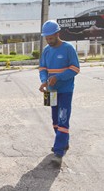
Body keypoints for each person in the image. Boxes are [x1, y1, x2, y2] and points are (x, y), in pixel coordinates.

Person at [39, 20, 80, 164]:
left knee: (63, 119)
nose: (49, 40)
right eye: (47, 38)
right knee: (55, 120)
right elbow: (42, 68)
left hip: (66, 90)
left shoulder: (68, 48)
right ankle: (63, 142)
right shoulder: (46, 50)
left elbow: (76, 68)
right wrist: (43, 80)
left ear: (58, 34)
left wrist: (59, 77)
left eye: (51, 37)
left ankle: (58, 151)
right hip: (50, 91)